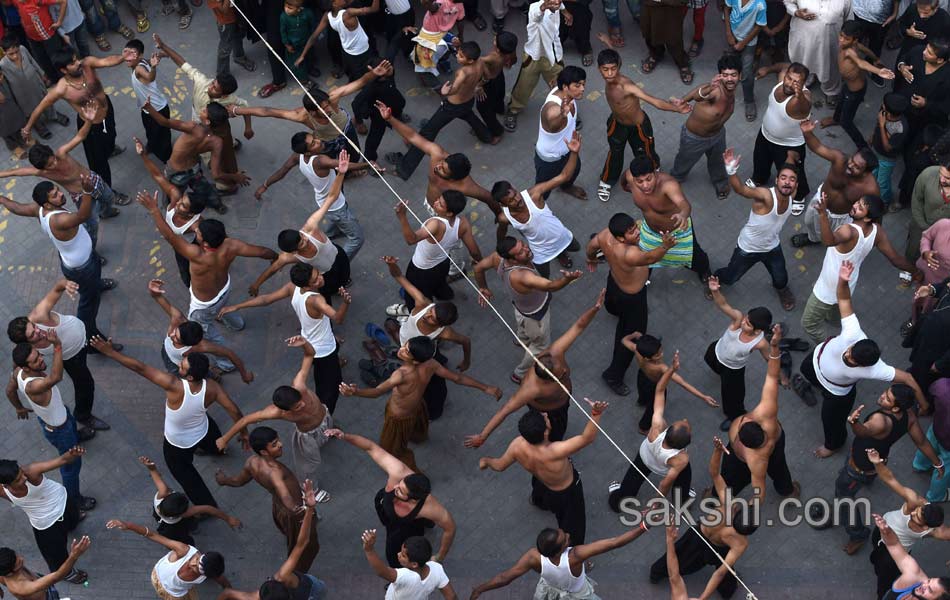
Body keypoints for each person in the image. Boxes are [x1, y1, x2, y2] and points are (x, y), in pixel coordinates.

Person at [88, 336, 247, 509]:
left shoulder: (174, 385)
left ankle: (207, 506)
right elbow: (235, 411)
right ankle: (218, 451)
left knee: (186, 474)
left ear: (191, 376)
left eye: (182, 366)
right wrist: (244, 433)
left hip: (178, 443)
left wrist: (110, 352)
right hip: (204, 429)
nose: (179, 366)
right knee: (213, 440)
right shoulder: (213, 387)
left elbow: (140, 368)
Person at [793, 262, 928, 457]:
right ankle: (816, 386)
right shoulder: (853, 332)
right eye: (849, 351)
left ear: (864, 366)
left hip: (836, 392)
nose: (846, 356)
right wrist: (843, 279)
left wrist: (923, 404)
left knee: (831, 420)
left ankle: (833, 444)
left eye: (851, 359)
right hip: (815, 361)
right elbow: (844, 298)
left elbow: (907, 378)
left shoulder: (875, 369)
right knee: (806, 370)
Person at [137, 189, 278, 353]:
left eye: (199, 232)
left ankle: (225, 363)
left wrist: (154, 210)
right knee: (223, 306)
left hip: (203, 305)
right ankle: (237, 324)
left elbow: (170, 236)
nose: (195, 230)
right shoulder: (231, 245)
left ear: (205, 243)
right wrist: (275, 257)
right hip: (224, 289)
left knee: (206, 334)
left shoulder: (196, 254)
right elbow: (262, 252)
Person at [813, 386, 943, 555]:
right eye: (886, 392)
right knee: (863, 476)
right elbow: (922, 442)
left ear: (896, 407)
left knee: (844, 497)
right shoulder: (908, 415)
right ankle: (867, 481)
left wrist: (854, 422)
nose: (882, 397)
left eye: (888, 398)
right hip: (877, 462)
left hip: (858, 468)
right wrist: (938, 463)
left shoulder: (881, 421)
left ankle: (857, 534)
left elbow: (863, 432)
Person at [465, 291, 603, 448]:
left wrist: (596, 308)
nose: (565, 372)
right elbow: (504, 410)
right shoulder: (531, 390)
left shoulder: (555, 352)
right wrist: (483, 436)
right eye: (560, 375)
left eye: (562, 370)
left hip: (563, 403)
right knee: (554, 435)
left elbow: (579, 325)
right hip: (550, 413)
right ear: (546, 379)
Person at [340, 336, 501, 471]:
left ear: (415, 361)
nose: (401, 349)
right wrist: (485, 387)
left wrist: (356, 392)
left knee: (394, 450)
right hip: (417, 407)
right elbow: (457, 378)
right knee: (418, 431)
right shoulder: (431, 364)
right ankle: (418, 438)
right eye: (405, 345)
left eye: (406, 351)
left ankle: (413, 474)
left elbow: (377, 392)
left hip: (398, 418)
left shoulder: (400, 375)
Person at [0, 177, 117, 344]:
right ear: (47, 204)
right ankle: (90, 337)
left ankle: (96, 285)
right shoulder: (58, 220)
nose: (61, 194)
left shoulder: (39, 210)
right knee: (88, 303)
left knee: (92, 285)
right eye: (55, 195)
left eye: (58, 190)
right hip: (83, 268)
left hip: (79, 261)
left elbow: (18, 208)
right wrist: (87, 191)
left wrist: (3, 200)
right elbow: (83, 215)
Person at [224, 264, 350, 415]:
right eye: (315, 280)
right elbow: (338, 318)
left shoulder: (293, 287)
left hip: (310, 338)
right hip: (323, 350)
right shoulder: (316, 300)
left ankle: (336, 363)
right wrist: (345, 303)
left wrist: (238, 306)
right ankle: (324, 417)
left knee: (332, 349)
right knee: (329, 389)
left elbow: (266, 299)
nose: (321, 279)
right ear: (306, 285)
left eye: (318, 275)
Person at [479, 398, 608, 545]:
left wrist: (486, 461)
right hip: (567, 493)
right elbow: (587, 438)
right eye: (545, 418)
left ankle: (538, 500)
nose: (546, 415)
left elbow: (500, 465)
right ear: (546, 432)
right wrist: (596, 413)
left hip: (545, 485)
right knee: (573, 527)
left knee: (542, 491)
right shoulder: (556, 451)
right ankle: (575, 554)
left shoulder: (517, 445)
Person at [217, 338, 335, 494]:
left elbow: (310, 355)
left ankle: (327, 434)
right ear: (286, 411)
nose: (304, 405)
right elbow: (247, 419)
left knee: (329, 430)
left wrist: (304, 343)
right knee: (308, 465)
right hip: (308, 436)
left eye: (301, 401)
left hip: (325, 419)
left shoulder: (300, 384)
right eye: (298, 407)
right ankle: (311, 490)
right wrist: (225, 438)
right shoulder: (276, 412)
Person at [328, 429, 456, 567]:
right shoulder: (398, 471)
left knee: (393, 552)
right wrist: (344, 436)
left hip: (404, 527)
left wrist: (439, 557)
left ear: (413, 500)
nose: (395, 488)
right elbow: (370, 447)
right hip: (385, 508)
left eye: (401, 491)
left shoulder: (429, 508)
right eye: (399, 484)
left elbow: (450, 528)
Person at [649, 438, 757, 600]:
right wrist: (702, 599)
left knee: (676, 555)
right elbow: (720, 573)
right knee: (725, 571)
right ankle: (727, 592)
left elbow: (715, 474)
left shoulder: (729, 505)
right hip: (712, 545)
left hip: (699, 535)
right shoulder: (740, 542)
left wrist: (717, 451)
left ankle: (655, 574)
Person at [799, 195, 917, 342]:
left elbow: (828, 240)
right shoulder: (877, 231)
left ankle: (828, 347)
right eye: (857, 202)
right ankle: (835, 320)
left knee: (808, 323)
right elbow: (895, 259)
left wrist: (823, 214)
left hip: (827, 289)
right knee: (838, 308)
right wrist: (916, 272)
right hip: (848, 284)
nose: (854, 205)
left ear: (867, 218)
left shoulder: (849, 231)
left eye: (860, 208)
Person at [1, 106, 121, 247]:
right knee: (92, 226)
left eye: (54, 160)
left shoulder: (62, 152)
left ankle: (106, 212)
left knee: (109, 198)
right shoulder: (42, 172)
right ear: (43, 168)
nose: (55, 164)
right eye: (50, 165)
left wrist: (89, 120)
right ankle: (91, 251)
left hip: (95, 181)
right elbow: (16, 172)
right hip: (81, 196)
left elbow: (80, 136)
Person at [230, 60, 393, 160]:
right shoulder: (302, 115)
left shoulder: (333, 97)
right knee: (334, 162)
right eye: (323, 108)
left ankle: (353, 168)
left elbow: (360, 82)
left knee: (354, 155)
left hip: (347, 129)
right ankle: (345, 173)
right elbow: (268, 111)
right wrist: (238, 110)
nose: (328, 108)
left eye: (327, 104)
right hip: (328, 141)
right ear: (312, 112)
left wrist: (374, 74)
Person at [586, 213, 675, 395]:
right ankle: (613, 375)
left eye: (635, 227)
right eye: (631, 232)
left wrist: (591, 258)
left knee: (612, 303)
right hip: (633, 297)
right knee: (632, 335)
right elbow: (651, 259)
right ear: (620, 238)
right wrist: (665, 246)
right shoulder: (630, 253)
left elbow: (591, 246)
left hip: (615, 282)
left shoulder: (604, 235)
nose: (637, 232)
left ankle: (613, 310)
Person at [378, 101, 503, 230]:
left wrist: (499, 215)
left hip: (445, 214)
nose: (438, 167)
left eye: (443, 170)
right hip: (429, 203)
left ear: (454, 179)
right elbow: (413, 136)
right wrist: (390, 119)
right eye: (442, 164)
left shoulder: (466, 187)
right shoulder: (437, 154)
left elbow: (489, 197)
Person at [6, 334, 96, 510]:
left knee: (69, 419)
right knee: (71, 466)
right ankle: (74, 501)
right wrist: (57, 346)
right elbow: (56, 377)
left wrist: (19, 408)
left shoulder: (18, 372)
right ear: (25, 367)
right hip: (59, 430)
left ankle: (77, 435)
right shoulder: (34, 386)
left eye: (38, 355)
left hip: (57, 416)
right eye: (35, 360)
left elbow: (9, 390)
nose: (40, 360)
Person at [475, 237, 582, 383]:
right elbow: (551, 286)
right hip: (536, 316)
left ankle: (521, 340)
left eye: (523, 245)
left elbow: (478, 268)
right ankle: (519, 373)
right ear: (512, 260)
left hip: (520, 307)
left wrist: (483, 287)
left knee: (522, 326)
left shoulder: (497, 258)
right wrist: (566, 280)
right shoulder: (523, 276)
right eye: (520, 252)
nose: (527, 250)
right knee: (540, 347)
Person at [250, 151, 353, 302]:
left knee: (345, 276)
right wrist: (256, 284)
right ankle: (337, 290)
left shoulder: (310, 227)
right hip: (325, 275)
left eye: (302, 238)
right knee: (330, 289)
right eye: (302, 243)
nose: (305, 240)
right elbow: (273, 268)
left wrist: (341, 174)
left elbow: (331, 197)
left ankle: (344, 282)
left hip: (339, 257)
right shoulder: (289, 257)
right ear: (293, 251)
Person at [6, 278, 107, 433]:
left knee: (97, 339)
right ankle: (83, 415)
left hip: (83, 330)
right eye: (33, 334)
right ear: (26, 343)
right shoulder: (27, 350)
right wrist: (18, 402)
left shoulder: (38, 314)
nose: (38, 331)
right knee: (85, 385)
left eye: (33, 327)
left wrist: (67, 285)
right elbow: (16, 373)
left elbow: (58, 286)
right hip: (72, 358)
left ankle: (100, 348)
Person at [215, 428, 321, 573]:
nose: (281, 445)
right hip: (293, 513)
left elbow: (238, 481)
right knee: (307, 546)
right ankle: (297, 575)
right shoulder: (275, 472)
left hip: (279, 508)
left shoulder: (251, 462)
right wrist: (305, 510)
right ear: (264, 451)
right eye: (274, 444)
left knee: (292, 535)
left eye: (278, 440)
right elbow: (285, 496)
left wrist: (224, 480)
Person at [594, 48, 691, 202]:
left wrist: (676, 109)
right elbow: (615, 57)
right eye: (605, 70)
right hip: (617, 123)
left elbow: (655, 102)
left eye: (613, 69)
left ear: (618, 67)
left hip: (638, 127)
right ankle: (607, 180)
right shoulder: (609, 75)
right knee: (614, 153)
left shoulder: (627, 86)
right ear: (599, 69)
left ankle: (652, 173)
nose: (610, 73)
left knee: (646, 154)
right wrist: (607, 42)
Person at [383, 256, 473, 421]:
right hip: (407, 344)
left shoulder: (445, 333)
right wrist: (391, 265)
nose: (427, 317)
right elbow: (399, 277)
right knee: (394, 330)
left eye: (432, 319)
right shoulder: (422, 303)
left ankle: (434, 412)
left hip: (422, 354)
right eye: (430, 313)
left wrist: (467, 361)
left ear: (440, 325)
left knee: (434, 384)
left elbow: (465, 341)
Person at [22, 51, 127, 189]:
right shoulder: (61, 88)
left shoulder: (87, 64)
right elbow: (40, 107)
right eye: (72, 63)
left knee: (111, 136)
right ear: (63, 70)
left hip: (107, 113)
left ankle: (109, 150)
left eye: (76, 59)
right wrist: (28, 128)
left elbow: (107, 60)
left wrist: (124, 57)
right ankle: (108, 190)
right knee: (99, 164)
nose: (78, 63)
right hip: (91, 127)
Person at [394, 41, 498, 180]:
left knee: (427, 133)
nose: (457, 57)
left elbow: (454, 88)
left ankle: (405, 169)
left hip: (451, 107)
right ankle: (488, 137)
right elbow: (488, 76)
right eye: (459, 53)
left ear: (470, 60)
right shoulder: (480, 63)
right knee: (469, 115)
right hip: (468, 101)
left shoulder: (462, 72)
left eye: (461, 56)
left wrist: (445, 92)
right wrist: (478, 85)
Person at [607, 352, 695, 512]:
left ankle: (617, 503)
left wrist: (671, 370)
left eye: (683, 423)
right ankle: (682, 502)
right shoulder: (681, 459)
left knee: (630, 481)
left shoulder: (656, 428)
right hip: (663, 466)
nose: (685, 419)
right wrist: (654, 504)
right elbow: (664, 484)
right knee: (684, 478)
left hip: (645, 456)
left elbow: (659, 391)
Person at [256, 132, 365, 260]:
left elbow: (283, 170)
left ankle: (333, 233)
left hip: (322, 201)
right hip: (336, 206)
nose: (319, 141)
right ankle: (340, 262)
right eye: (313, 143)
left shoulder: (298, 156)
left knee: (334, 220)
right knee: (357, 239)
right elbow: (346, 166)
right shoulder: (320, 160)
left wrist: (265, 185)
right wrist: (369, 165)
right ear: (307, 152)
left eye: (315, 138)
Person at [720, 324, 799, 501]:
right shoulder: (767, 416)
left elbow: (759, 492)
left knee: (729, 478)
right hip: (776, 446)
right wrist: (774, 346)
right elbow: (772, 375)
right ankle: (788, 491)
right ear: (758, 424)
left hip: (739, 459)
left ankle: (717, 497)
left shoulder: (756, 461)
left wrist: (746, 513)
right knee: (779, 469)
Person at [469, 521, 650, 599]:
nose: (569, 536)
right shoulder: (575, 556)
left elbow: (504, 578)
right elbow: (615, 543)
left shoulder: (533, 557)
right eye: (565, 540)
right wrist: (644, 525)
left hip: (549, 591)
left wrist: (479, 590)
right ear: (558, 551)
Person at [216, 479, 325, 600]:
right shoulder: (257, 597)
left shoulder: (284, 575)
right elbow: (227, 593)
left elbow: (302, 543)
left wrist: (309, 509)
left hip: (312, 589)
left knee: (320, 590)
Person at [715, 149, 798, 309]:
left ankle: (781, 289)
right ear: (776, 181)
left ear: (796, 184)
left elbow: (789, 167)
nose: (787, 182)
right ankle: (714, 279)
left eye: (792, 179)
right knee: (731, 277)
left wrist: (790, 155)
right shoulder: (766, 196)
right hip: (748, 249)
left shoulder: (791, 195)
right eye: (783, 178)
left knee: (780, 276)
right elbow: (741, 190)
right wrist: (731, 170)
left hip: (772, 245)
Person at [493, 133, 582, 276]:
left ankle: (561, 254)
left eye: (515, 194)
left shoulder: (534, 194)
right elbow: (501, 233)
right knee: (544, 276)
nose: (517, 199)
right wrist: (503, 251)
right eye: (511, 201)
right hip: (540, 251)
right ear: (503, 205)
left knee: (576, 247)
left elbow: (564, 176)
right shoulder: (505, 218)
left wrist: (574, 153)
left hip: (560, 236)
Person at [624, 156, 713, 294]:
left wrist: (683, 215)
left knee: (695, 256)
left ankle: (705, 271)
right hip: (650, 231)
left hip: (677, 230)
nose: (645, 185)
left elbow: (684, 204)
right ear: (633, 179)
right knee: (647, 258)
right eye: (639, 182)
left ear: (655, 173)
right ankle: (642, 278)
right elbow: (624, 182)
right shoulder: (629, 176)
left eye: (649, 179)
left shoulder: (669, 185)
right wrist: (628, 188)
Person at [140, 98, 245, 214]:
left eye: (205, 111)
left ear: (208, 121)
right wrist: (235, 177)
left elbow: (165, 122)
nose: (202, 110)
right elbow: (216, 174)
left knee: (172, 194)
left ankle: (172, 212)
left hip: (176, 171)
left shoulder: (193, 127)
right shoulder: (217, 142)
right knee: (205, 188)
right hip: (194, 169)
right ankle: (217, 204)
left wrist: (149, 108)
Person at [868, 452, 950, 598]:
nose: (912, 513)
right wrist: (877, 463)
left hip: (893, 554)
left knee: (884, 579)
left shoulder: (937, 532)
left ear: (926, 528)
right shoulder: (914, 501)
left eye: (917, 517)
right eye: (918, 510)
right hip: (881, 531)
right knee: (876, 555)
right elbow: (890, 479)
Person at [0, 447, 87, 582]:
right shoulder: (2, 491)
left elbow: (62, 459)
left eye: (21, 473)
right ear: (5, 485)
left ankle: (71, 523)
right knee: (55, 554)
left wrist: (72, 454)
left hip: (62, 502)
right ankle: (67, 573)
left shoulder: (31, 470)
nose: (23, 478)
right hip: (46, 523)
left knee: (73, 519)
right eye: (17, 480)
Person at [794, 122, 882, 249]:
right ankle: (811, 238)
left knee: (833, 240)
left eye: (857, 167)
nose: (850, 165)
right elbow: (818, 147)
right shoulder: (840, 159)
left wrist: (875, 235)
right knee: (809, 222)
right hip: (819, 202)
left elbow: (877, 212)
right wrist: (807, 133)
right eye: (852, 160)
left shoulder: (871, 188)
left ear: (866, 173)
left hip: (840, 217)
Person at [393, 190, 482, 311]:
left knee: (416, 296)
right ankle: (445, 294)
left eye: (440, 204)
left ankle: (416, 312)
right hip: (443, 263)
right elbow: (475, 251)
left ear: (450, 212)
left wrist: (402, 217)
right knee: (439, 283)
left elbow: (411, 240)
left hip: (421, 270)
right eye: (438, 199)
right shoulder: (463, 223)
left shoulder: (435, 224)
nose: (435, 203)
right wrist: (479, 262)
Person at [134, 138, 205, 286]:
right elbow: (158, 176)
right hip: (175, 243)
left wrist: (154, 210)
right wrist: (143, 155)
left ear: (192, 215)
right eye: (181, 201)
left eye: (183, 206)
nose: (178, 204)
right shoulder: (175, 197)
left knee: (188, 273)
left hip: (184, 250)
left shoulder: (196, 226)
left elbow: (169, 235)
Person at [148, 279, 252, 380]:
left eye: (176, 338)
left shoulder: (201, 346)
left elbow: (229, 353)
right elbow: (159, 298)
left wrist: (244, 374)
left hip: (175, 364)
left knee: (198, 373)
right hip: (166, 350)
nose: (171, 335)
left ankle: (213, 377)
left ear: (189, 344)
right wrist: (154, 292)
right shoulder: (177, 318)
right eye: (175, 332)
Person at [706, 277, 773, 431]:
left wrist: (779, 376)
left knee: (732, 397)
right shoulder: (738, 319)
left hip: (733, 370)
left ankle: (735, 417)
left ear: (758, 330)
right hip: (716, 352)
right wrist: (715, 291)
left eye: (748, 323)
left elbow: (769, 358)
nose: (744, 322)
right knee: (708, 359)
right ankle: (720, 374)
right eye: (746, 319)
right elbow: (723, 304)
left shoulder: (760, 342)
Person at [670, 55, 741, 198]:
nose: (729, 79)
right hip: (694, 138)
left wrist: (683, 100)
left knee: (718, 162)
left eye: (733, 75)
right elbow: (699, 95)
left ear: (740, 75)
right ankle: (674, 180)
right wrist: (708, 87)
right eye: (725, 75)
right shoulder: (714, 91)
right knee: (684, 161)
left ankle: (720, 182)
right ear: (720, 76)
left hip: (718, 135)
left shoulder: (731, 90)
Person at [105, 518, 231, 597]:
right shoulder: (183, 550)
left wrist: (229, 590)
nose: (192, 564)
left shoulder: (211, 572)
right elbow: (153, 535)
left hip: (176, 593)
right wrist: (129, 525)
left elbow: (219, 577)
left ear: (206, 576)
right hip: (158, 578)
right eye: (197, 560)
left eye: (196, 569)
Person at [819, 21, 894, 149]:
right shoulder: (855, 44)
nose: (841, 40)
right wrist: (876, 59)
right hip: (848, 86)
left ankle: (863, 147)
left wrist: (878, 71)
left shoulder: (850, 52)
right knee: (841, 99)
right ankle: (835, 119)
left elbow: (861, 63)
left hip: (855, 92)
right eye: (841, 35)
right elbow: (866, 49)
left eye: (846, 38)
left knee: (846, 122)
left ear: (854, 40)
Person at [622, 333, 718, 433]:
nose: (661, 354)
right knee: (653, 409)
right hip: (655, 387)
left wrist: (633, 335)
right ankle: (643, 427)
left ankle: (641, 401)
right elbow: (683, 383)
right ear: (647, 358)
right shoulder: (661, 367)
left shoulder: (637, 351)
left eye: (660, 350)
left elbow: (624, 340)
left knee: (643, 393)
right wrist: (703, 396)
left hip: (642, 377)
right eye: (657, 355)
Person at [138, 456, 242, 546]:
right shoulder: (185, 513)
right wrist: (228, 519)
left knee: (175, 537)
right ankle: (190, 538)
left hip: (168, 527)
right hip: (174, 527)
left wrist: (152, 468)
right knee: (183, 537)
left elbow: (156, 476)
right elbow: (208, 509)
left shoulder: (162, 492)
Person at [751, 61, 811, 203]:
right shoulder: (783, 77)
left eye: (797, 82)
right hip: (765, 134)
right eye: (789, 78)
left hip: (787, 146)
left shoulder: (802, 100)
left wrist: (799, 95)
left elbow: (805, 107)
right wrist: (768, 68)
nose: (791, 84)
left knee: (792, 174)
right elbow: (783, 66)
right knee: (760, 160)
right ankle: (759, 179)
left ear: (803, 84)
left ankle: (799, 197)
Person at [504, 0, 566, 132]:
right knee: (524, 86)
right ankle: (514, 109)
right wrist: (544, 7)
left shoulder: (557, 4)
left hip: (554, 56)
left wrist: (566, 13)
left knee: (562, 85)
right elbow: (537, 15)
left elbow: (561, 6)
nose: (556, 2)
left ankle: (565, 108)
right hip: (534, 56)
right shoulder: (535, 8)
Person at [0, 36, 69, 139]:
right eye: (11, 54)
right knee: (29, 109)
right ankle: (38, 125)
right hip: (21, 93)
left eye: (16, 51)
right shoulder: (3, 64)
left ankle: (53, 115)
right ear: (4, 52)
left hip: (36, 83)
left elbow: (32, 61)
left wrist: (42, 74)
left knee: (45, 100)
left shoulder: (23, 49)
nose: (15, 56)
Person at [534, 66, 587, 200]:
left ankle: (566, 187)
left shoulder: (563, 90)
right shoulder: (552, 110)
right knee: (542, 191)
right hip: (549, 160)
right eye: (577, 85)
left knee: (575, 170)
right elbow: (552, 125)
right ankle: (539, 209)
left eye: (583, 84)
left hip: (569, 150)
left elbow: (554, 80)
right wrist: (562, 115)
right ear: (565, 86)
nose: (582, 89)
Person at [298, 0, 380, 84]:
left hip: (347, 53)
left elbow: (313, 37)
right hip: (362, 53)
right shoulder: (349, 13)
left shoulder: (327, 15)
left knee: (353, 74)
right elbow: (374, 9)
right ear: (334, 4)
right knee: (367, 78)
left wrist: (302, 55)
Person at [871, 513, 950, 600]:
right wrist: (887, 531)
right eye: (928, 581)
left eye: (930, 590)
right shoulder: (914, 575)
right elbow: (894, 545)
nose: (923, 585)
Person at [784, 0, 850, 104]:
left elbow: (848, 19)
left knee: (830, 65)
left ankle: (831, 91)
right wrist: (796, 12)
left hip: (830, 40)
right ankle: (806, 80)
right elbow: (788, 2)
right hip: (804, 38)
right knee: (804, 62)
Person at [362, 530, 456, 599]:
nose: (398, 554)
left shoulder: (406, 576)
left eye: (403, 555)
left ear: (414, 564)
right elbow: (451, 597)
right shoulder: (436, 569)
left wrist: (369, 549)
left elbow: (382, 572)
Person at [124, 38, 172, 164]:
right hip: (147, 109)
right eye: (127, 52)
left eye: (133, 53)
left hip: (158, 110)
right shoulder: (142, 61)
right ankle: (152, 146)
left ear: (139, 55)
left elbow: (150, 77)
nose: (129, 56)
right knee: (151, 132)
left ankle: (168, 161)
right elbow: (156, 58)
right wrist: (162, 54)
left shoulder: (139, 68)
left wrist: (154, 67)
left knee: (163, 137)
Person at [0, 536, 90, 600]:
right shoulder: (21, 588)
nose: (22, 559)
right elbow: (57, 576)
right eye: (19, 563)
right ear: (9, 573)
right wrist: (74, 556)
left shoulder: (3, 568)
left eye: (17, 556)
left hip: (41, 586)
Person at [894, 38, 950, 141]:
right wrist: (902, 67)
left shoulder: (947, 77)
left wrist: (926, 104)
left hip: (920, 118)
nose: (924, 52)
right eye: (926, 48)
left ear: (940, 60)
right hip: (901, 102)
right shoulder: (918, 51)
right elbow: (904, 58)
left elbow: (946, 106)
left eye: (929, 53)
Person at [725, 0, 767, 121]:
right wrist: (728, 33)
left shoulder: (760, 4)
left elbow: (759, 26)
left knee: (747, 74)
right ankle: (726, 94)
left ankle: (749, 101)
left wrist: (743, 43)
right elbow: (727, 9)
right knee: (729, 66)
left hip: (749, 42)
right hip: (733, 36)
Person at [871, 93, 910, 210]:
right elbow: (877, 125)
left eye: (884, 105)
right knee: (872, 174)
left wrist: (883, 126)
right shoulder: (883, 112)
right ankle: (871, 192)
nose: (882, 106)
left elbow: (888, 147)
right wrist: (873, 135)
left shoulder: (900, 128)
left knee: (882, 182)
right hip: (876, 151)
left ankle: (885, 201)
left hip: (886, 159)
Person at [639, 0, 692, 84]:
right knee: (650, 32)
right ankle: (656, 54)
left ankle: (682, 62)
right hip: (649, 6)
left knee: (673, 37)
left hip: (671, 8)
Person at [906, 162, 950, 262]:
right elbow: (917, 201)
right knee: (912, 251)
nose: (942, 179)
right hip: (920, 225)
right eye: (941, 173)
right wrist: (924, 227)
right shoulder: (928, 174)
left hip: (944, 235)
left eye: (947, 178)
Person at [895, 0, 949, 67]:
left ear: (936, 9)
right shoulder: (912, 8)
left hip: (927, 56)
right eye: (919, 11)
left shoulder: (944, 19)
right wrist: (908, 31)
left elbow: (946, 43)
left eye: (926, 13)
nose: (921, 16)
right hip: (907, 49)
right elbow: (902, 24)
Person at [209, 0, 254, 76]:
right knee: (225, 48)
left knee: (237, 37)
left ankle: (239, 57)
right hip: (226, 23)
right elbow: (224, 10)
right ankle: (222, 73)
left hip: (235, 17)